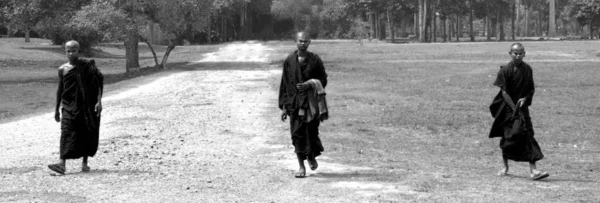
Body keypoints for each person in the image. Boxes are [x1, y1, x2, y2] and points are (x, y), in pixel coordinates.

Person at [489, 43, 549, 180]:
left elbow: (530, 89)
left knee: (527, 134)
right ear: (510, 53)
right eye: (515, 53)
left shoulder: (527, 69)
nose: (518, 55)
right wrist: (513, 107)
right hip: (508, 109)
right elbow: (504, 92)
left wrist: (525, 99)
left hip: (522, 108)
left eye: (520, 53)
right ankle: (505, 166)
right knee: (509, 137)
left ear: (524, 53)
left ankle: (534, 171)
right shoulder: (505, 70)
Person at [48, 40, 104, 175]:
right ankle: (62, 164)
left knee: (85, 131)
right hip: (68, 106)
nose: (71, 53)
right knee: (66, 132)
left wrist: (99, 101)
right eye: (69, 51)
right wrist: (56, 109)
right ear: (65, 51)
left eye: (74, 50)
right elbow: (60, 90)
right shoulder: (62, 69)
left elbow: (98, 83)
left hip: (86, 106)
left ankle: (85, 164)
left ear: (79, 51)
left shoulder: (87, 66)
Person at [279, 32, 328, 178]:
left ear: (309, 42)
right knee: (297, 135)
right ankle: (301, 166)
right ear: (296, 41)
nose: (303, 43)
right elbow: (285, 84)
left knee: (311, 133)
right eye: (300, 41)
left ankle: (311, 156)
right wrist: (284, 107)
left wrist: (311, 84)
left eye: (306, 41)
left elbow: (323, 80)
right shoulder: (289, 60)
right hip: (294, 104)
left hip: (311, 105)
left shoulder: (315, 60)